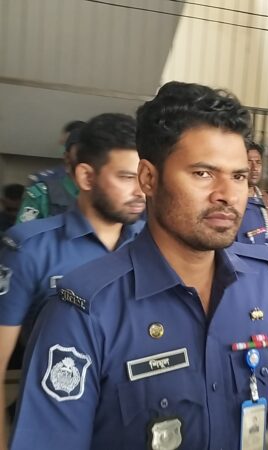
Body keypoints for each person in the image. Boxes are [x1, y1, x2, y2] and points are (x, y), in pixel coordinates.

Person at [10, 81, 268, 450]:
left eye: (238, 176)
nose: (227, 194)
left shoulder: (262, 280)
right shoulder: (84, 312)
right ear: (149, 178)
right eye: (203, 173)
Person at [0, 113, 145, 450]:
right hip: (54, 422)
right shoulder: (30, 249)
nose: (140, 191)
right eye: (126, 177)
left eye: (143, 177)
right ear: (86, 176)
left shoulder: (150, 246)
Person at [15, 121, 86, 223]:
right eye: (81, 152)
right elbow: (24, 230)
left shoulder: (103, 193)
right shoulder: (43, 194)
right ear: (67, 157)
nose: (88, 158)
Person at [236, 140, 268, 248]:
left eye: (258, 162)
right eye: (249, 162)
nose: (255, 168)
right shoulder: (232, 197)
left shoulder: (265, 198)